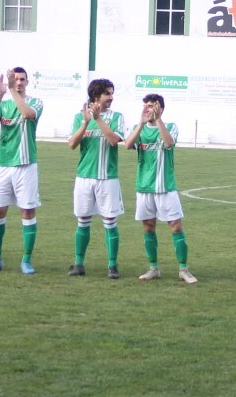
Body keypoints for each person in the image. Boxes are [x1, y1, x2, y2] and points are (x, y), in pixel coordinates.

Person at [125, 93, 197, 284]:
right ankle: (153, 268)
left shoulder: (170, 126)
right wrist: (141, 124)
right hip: (144, 187)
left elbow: (169, 143)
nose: (148, 109)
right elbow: (127, 145)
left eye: (152, 106)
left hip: (166, 187)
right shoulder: (137, 128)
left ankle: (183, 269)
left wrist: (158, 120)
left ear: (161, 109)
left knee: (176, 226)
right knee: (148, 227)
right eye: (146, 106)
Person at [0, 67, 44, 274]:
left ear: (27, 82)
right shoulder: (5, 103)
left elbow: (27, 114)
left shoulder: (35, 102)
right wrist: (0, 94)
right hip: (4, 165)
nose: (18, 82)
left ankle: (26, 260)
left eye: (22, 79)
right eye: (15, 79)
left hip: (26, 165)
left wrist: (12, 91)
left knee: (27, 211)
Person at [67, 78, 126, 279]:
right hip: (84, 177)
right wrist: (85, 122)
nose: (111, 97)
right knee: (83, 220)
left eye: (111, 93)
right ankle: (78, 263)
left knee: (110, 221)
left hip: (108, 178)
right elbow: (72, 144)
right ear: (96, 96)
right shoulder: (79, 117)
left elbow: (113, 140)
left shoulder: (117, 116)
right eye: (107, 93)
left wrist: (98, 118)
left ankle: (112, 266)